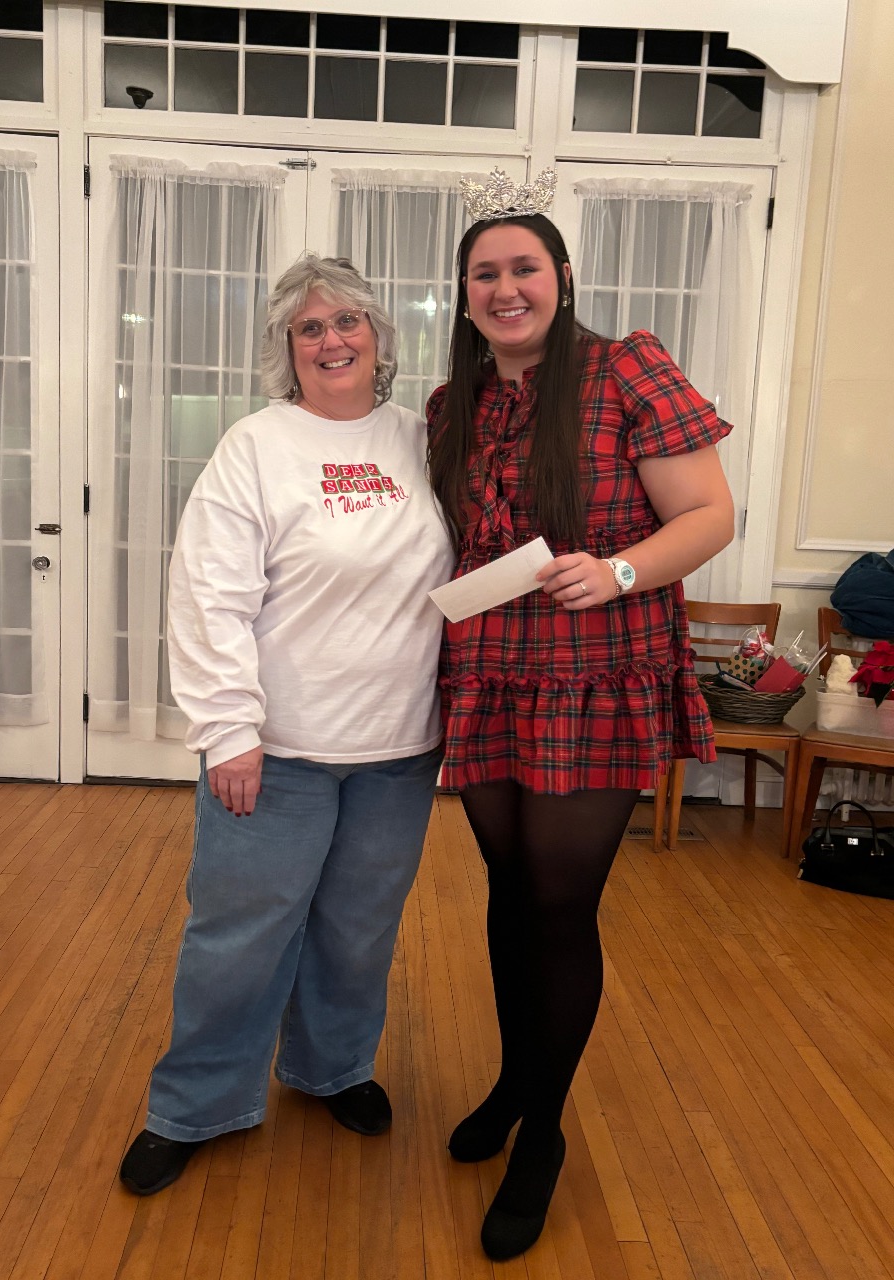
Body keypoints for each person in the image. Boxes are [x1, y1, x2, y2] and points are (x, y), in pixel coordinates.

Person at [426, 170, 735, 1261]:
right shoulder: (453, 405)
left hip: (597, 675)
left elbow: (711, 514)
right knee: (510, 893)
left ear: (560, 275)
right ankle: (517, 1080)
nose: (505, 288)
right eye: (484, 274)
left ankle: (544, 1133)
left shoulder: (625, 369)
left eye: (524, 267)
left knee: (561, 903)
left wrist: (618, 569)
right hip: (490, 675)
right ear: (465, 295)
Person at [119, 255, 454, 1196]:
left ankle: (331, 1068)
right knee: (239, 936)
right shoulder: (257, 446)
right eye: (310, 327)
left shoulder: (423, 440)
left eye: (349, 321)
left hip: (398, 748)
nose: (332, 340)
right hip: (279, 752)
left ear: (379, 336)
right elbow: (209, 596)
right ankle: (195, 1105)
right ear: (287, 347)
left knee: (359, 930)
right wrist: (229, 730)